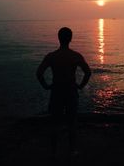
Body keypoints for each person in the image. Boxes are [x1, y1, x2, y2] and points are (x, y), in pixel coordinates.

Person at [36, 27, 91, 157]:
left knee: (54, 123)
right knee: (72, 122)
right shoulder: (76, 56)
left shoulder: (51, 56)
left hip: (56, 91)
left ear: (58, 38)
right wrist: (80, 86)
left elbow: (39, 73)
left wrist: (46, 86)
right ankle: (72, 150)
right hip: (71, 91)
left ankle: (54, 152)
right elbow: (88, 72)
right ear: (70, 39)